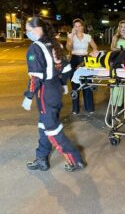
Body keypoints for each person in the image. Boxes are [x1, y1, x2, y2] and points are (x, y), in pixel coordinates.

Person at [22, 17, 85, 172]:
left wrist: (28, 96)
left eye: (28, 30)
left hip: (45, 92)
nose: (27, 33)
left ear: (37, 29)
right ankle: (42, 158)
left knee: (52, 129)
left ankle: (75, 160)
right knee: (44, 124)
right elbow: (66, 69)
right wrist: (63, 84)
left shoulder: (35, 48)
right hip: (55, 89)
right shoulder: (54, 44)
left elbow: (36, 77)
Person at [66, 18, 98, 115]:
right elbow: (68, 48)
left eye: (79, 26)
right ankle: (75, 109)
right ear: (73, 27)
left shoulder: (87, 36)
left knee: (86, 83)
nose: (77, 28)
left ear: (82, 27)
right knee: (74, 84)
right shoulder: (71, 36)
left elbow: (95, 47)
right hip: (74, 60)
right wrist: (71, 37)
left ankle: (89, 107)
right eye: (75, 26)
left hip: (85, 60)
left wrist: (93, 52)